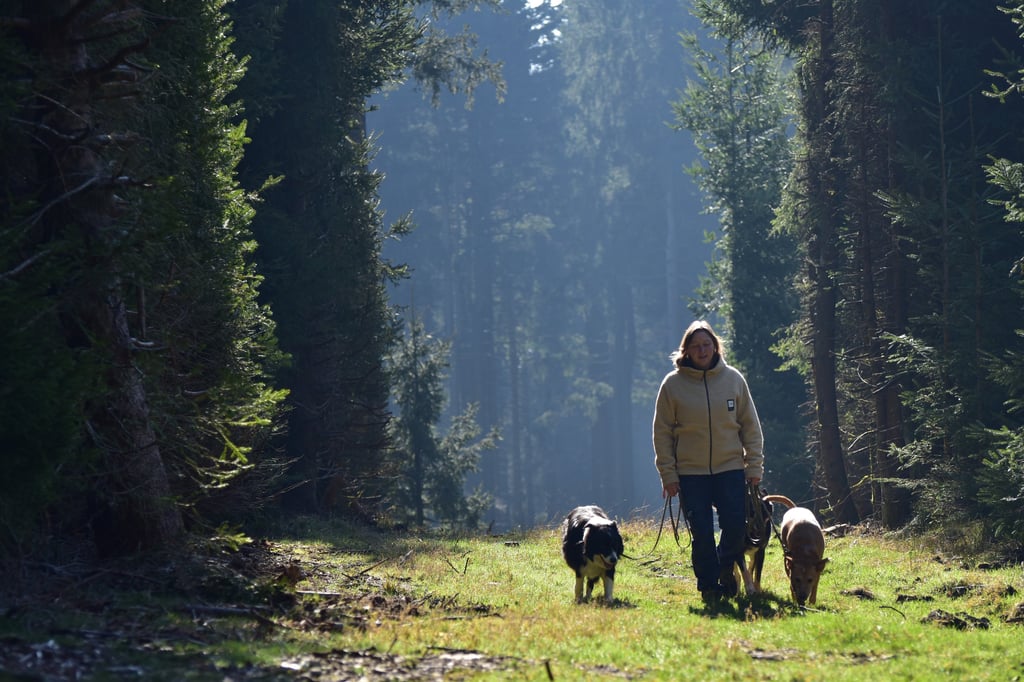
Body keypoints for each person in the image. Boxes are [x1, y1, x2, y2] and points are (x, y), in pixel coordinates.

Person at [652, 320, 764, 604]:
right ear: (686, 350)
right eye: (695, 346)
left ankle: (724, 568)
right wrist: (668, 475)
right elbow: (662, 433)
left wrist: (754, 466)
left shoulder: (734, 379)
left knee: (735, 526)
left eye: (706, 345)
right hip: (691, 473)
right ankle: (709, 587)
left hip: (731, 468)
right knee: (701, 532)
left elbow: (750, 427)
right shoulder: (672, 385)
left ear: (715, 346)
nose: (702, 350)